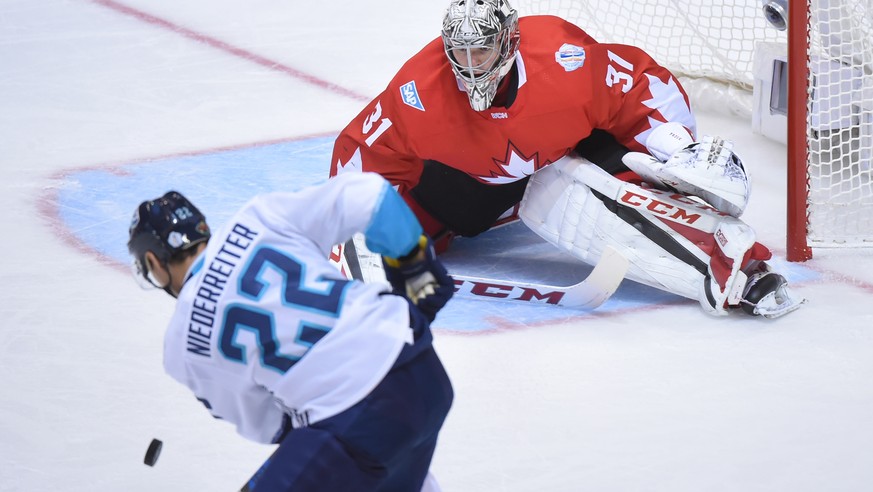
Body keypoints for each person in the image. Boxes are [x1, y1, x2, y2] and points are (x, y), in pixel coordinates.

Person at [330, 0, 804, 318]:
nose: (472, 63)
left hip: (566, 153)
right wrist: (357, 229)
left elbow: (641, 85)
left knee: (601, 199)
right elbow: (361, 151)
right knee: (383, 232)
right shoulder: (418, 94)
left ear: (511, 43)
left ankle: (736, 269)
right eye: (461, 51)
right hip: (473, 188)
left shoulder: (564, 58)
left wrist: (675, 148)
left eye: (484, 49)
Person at [126, 172, 454, 491]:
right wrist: (415, 259)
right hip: (423, 373)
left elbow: (268, 425)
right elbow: (370, 195)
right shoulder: (258, 218)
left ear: (154, 262)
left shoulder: (181, 346)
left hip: (357, 414)